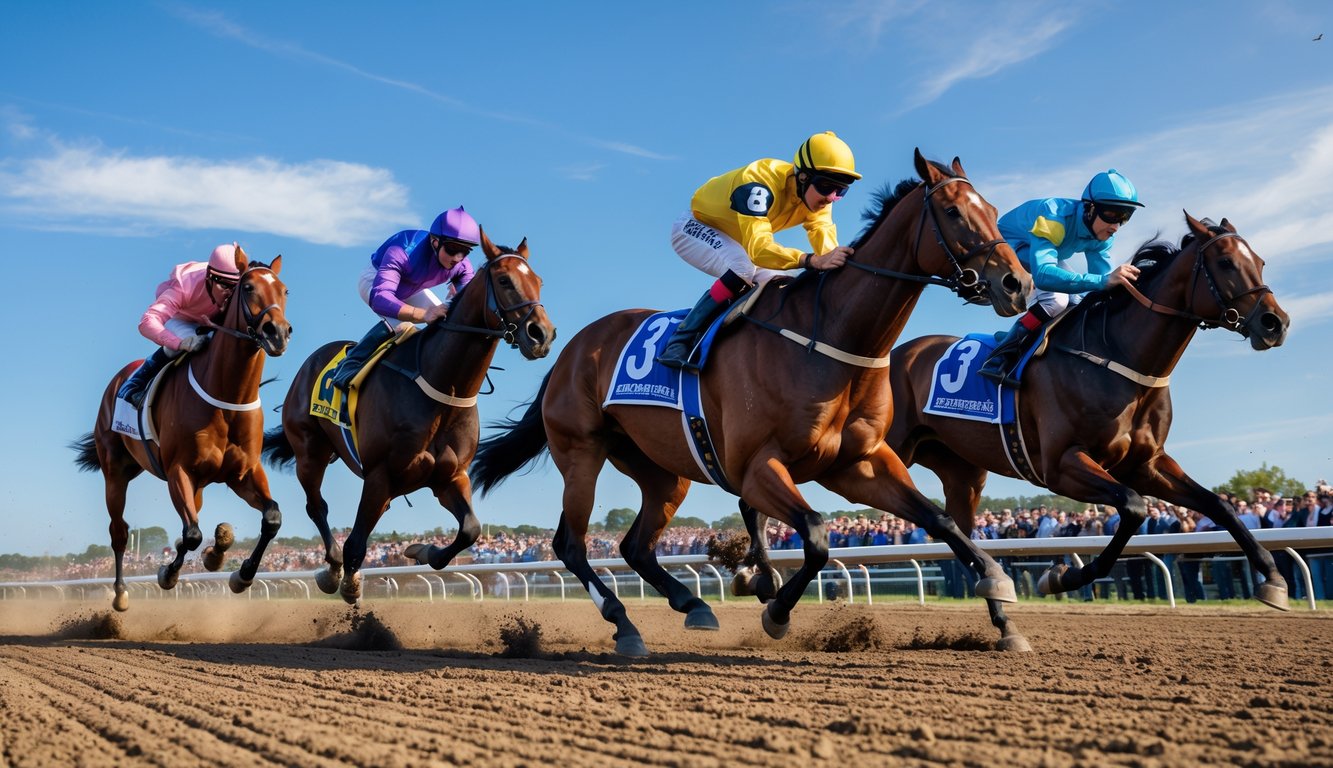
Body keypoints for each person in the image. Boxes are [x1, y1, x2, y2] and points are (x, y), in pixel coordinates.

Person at [656, 131, 861, 369]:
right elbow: (760, 250)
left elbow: (826, 248)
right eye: (826, 187)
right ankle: (680, 340)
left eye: (841, 191)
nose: (831, 197)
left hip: (739, 242)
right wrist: (810, 260)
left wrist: (839, 269)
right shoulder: (759, 182)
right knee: (741, 267)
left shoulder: (820, 200)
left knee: (781, 283)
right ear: (803, 176)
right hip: (694, 227)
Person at [977, 170, 1144, 387]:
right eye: (1112, 214)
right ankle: (1000, 356)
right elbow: (1045, 275)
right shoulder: (1054, 217)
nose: (1115, 226)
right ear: (1090, 207)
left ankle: (1042, 347)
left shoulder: (1102, 235)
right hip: (1005, 247)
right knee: (1056, 300)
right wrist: (1103, 281)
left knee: (1078, 302)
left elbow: (1101, 285)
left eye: (1125, 216)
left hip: (1032, 252)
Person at [330, 207, 480, 391]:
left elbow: (471, 303)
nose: (458, 258)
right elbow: (381, 298)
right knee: (403, 328)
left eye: (465, 251)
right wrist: (422, 314)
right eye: (453, 249)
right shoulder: (403, 251)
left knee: (445, 320)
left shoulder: (461, 265)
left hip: (413, 288)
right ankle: (349, 363)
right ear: (434, 242)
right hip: (374, 282)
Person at [116, 243, 243, 408]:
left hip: (211, 321)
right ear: (209, 278)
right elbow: (147, 321)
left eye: (236, 287)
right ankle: (135, 383)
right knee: (194, 342)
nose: (231, 294)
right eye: (225, 285)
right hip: (181, 319)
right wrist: (179, 343)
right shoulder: (185, 286)